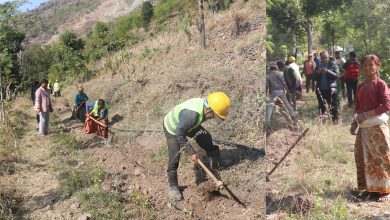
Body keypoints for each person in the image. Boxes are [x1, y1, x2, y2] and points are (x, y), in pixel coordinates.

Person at [163, 92, 233, 201]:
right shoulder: (192, 116)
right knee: (174, 156)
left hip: (187, 125)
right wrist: (191, 152)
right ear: (209, 110)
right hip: (173, 129)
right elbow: (179, 133)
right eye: (214, 116)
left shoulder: (204, 107)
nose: (212, 118)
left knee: (206, 139)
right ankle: (173, 187)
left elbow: (187, 126)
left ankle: (217, 164)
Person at [350, 54, 390, 202]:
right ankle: (371, 188)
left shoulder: (380, 84)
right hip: (364, 129)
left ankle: (385, 190)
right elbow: (358, 106)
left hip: (377, 129)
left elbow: (387, 105)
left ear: (377, 67)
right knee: (363, 158)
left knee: (380, 158)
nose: (368, 68)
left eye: (371, 65)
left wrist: (366, 115)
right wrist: (354, 123)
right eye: (365, 65)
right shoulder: (360, 86)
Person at [313, 50, 340, 124]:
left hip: (331, 89)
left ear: (328, 57)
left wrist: (328, 71)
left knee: (333, 106)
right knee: (321, 106)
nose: (324, 59)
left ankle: (335, 121)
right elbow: (313, 77)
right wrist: (317, 73)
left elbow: (337, 76)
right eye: (322, 58)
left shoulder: (333, 65)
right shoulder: (318, 65)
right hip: (320, 90)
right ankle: (323, 121)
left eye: (325, 57)